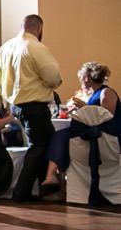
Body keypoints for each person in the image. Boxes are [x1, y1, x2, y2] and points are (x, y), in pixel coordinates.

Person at [0, 14, 62, 201]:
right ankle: (22, 191)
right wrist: (53, 84)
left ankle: (45, 186)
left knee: (49, 140)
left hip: (15, 106)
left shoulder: (5, 48)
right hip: (34, 104)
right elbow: (52, 76)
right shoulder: (35, 47)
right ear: (39, 28)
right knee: (38, 146)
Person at [42, 61, 117, 190]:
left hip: (104, 135)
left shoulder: (106, 92)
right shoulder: (94, 93)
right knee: (60, 136)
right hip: (89, 131)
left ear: (87, 78)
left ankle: (53, 178)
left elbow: (106, 117)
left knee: (61, 136)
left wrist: (84, 107)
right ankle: (56, 180)